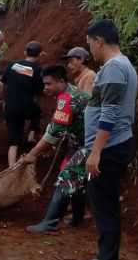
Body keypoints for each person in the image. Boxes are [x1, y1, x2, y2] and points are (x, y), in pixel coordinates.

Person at [72, 20, 138, 260]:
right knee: (100, 205)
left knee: (106, 207)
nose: (90, 49)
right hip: (108, 148)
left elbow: (110, 114)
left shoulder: (114, 69)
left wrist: (96, 152)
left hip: (108, 150)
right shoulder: (122, 66)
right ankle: (103, 259)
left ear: (98, 40)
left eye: (89, 43)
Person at [21, 65, 90, 234]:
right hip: (82, 143)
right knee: (76, 180)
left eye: (48, 84)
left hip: (88, 144)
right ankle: (77, 217)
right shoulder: (69, 93)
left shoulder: (67, 99)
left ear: (61, 81)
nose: (45, 88)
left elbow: (54, 132)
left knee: (66, 177)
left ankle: (49, 223)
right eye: (44, 85)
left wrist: (32, 154)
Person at [0, 41, 44, 167]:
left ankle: (11, 167)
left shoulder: (13, 65)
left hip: (11, 106)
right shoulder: (38, 70)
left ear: (25, 52)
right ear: (40, 55)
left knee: (13, 139)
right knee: (37, 111)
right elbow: (39, 93)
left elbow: (1, 83)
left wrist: (3, 98)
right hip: (26, 107)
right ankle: (31, 136)